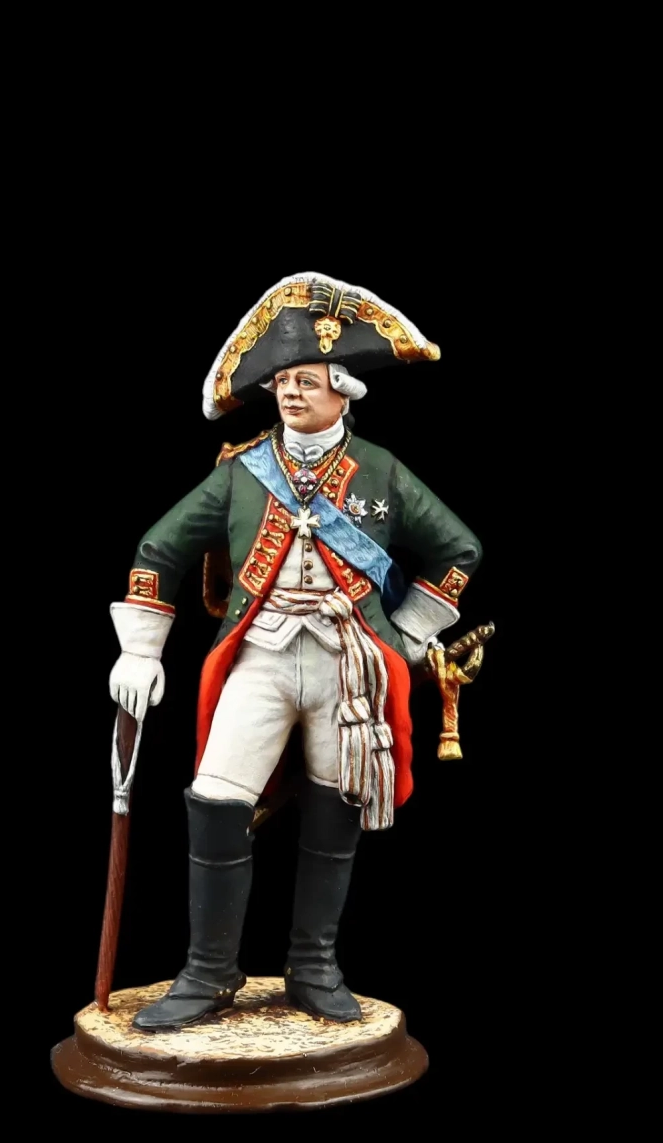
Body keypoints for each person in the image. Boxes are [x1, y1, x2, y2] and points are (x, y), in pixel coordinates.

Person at [108, 272, 482, 1031]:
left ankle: (314, 968)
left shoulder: (381, 470)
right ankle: (209, 971)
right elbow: (160, 546)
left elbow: (458, 549)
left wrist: (410, 635)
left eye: (306, 381)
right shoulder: (245, 471)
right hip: (262, 658)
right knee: (217, 800)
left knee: (336, 806)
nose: (289, 394)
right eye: (282, 382)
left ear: (343, 390)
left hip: (350, 667)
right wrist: (142, 649)